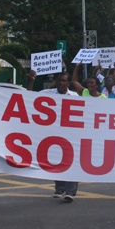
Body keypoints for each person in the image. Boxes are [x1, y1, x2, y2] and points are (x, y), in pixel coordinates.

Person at [38, 72, 80, 202]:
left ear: (68, 83)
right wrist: (32, 80)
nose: (62, 83)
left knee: (71, 162)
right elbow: (29, 97)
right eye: (60, 81)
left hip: (71, 134)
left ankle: (70, 191)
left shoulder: (74, 96)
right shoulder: (48, 93)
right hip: (55, 135)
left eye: (65, 81)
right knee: (57, 161)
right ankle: (59, 188)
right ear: (57, 82)